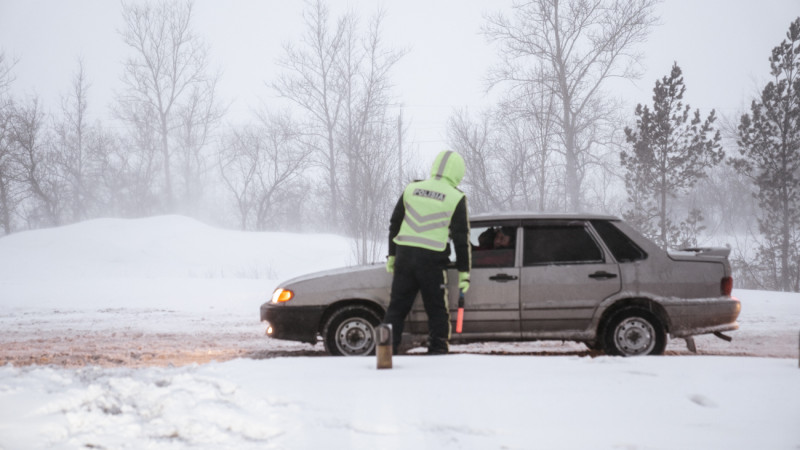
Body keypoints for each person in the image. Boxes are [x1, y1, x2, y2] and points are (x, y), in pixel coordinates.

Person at [384, 150, 471, 355]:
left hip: (404, 257)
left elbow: (395, 224)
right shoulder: (456, 197)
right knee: (436, 308)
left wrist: (392, 255)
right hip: (432, 261)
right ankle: (438, 349)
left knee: (396, 308)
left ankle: (386, 350)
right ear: (458, 173)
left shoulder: (412, 188)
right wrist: (464, 272)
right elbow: (461, 238)